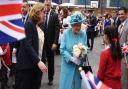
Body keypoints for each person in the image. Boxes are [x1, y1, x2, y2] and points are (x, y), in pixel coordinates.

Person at [15, 3, 47, 89]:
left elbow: (40, 46)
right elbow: (27, 45)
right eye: (43, 12)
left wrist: (43, 60)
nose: (45, 14)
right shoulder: (29, 24)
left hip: (36, 67)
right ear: (37, 12)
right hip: (27, 67)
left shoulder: (38, 26)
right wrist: (38, 61)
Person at [59, 14, 87, 89]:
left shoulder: (83, 33)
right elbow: (62, 49)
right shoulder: (66, 33)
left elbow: (85, 47)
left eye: (79, 25)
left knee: (77, 86)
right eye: (75, 25)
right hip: (67, 66)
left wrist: (82, 55)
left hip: (79, 67)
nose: (78, 27)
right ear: (71, 25)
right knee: (67, 86)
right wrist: (72, 58)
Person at [44, 0, 60, 85]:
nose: (46, 6)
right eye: (45, 4)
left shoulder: (55, 15)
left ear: (50, 5)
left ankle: (50, 78)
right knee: (41, 60)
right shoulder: (41, 14)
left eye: (48, 5)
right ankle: (38, 78)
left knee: (50, 61)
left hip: (51, 43)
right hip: (42, 43)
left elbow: (57, 30)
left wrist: (55, 42)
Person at [118, 7, 128, 89]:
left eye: (122, 14)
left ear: (127, 14)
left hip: (126, 58)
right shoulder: (120, 26)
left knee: (124, 79)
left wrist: (121, 48)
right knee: (121, 78)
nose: (120, 15)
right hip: (120, 57)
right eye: (119, 14)